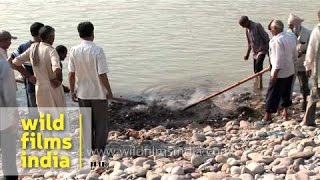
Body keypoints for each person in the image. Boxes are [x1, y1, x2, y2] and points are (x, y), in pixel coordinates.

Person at [68, 21, 113, 156]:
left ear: (79, 34)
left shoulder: (73, 50)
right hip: (98, 93)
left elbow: (71, 74)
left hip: (82, 92)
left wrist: (72, 90)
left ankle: (88, 148)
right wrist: (109, 91)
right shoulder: (98, 50)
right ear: (93, 33)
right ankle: (98, 149)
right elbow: (102, 74)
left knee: (86, 122)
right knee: (100, 124)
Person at [12, 25, 66, 109]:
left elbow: (15, 62)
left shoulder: (33, 48)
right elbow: (57, 69)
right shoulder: (51, 50)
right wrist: (59, 80)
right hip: (53, 89)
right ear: (51, 37)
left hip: (39, 88)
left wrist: (29, 76)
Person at [263, 20, 296, 122]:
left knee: (272, 93)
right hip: (290, 69)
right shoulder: (290, 36)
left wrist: (275, 74)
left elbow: (279, 59)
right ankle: (286, 113)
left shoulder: (276, 41)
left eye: (271, 29)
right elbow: (295, 51)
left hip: (280, 72)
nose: (270, 31)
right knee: (286, 92)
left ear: (276, 29)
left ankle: (268, 116)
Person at [7, 22, 44, 109]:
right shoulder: (45, 47)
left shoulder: (23, 46)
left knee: (33, 113)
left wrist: (27, 75)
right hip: (44, 87)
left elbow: (10, 61)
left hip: (30, 84)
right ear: (41, 33)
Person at [0, 30, 18, 180]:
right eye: (8, 40)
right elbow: (9, 96)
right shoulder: (4, 66)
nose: (10, 43)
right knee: (8, 150)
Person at [288, 13, 311, 111]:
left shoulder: (308, 33)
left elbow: (312, 48)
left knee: (304, 84)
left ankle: (305, 102)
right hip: (291, 64)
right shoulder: (288, 33)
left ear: (296, 25)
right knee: (288, 84)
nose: (289, 27)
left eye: (291, 25)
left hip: (303, 63)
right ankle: (287, 104)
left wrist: (303, 52)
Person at [239, 16, 270, 90]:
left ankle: (260, 84)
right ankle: (256, 83)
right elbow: (249, 43)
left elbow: (266, 37)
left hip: (262, 49)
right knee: (255, 70)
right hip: (255, 52)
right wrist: (247, 54)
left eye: (243, 25)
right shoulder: (247, 30)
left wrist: (269, 51)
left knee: (258, 66)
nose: (243, 27)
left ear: (247, 21)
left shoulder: (257, 26)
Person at [302, 10, 320, 126]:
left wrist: (307, 65)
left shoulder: (317, 30)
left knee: (314, 95)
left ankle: (308, 121)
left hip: (318, 70)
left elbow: (311, 49)